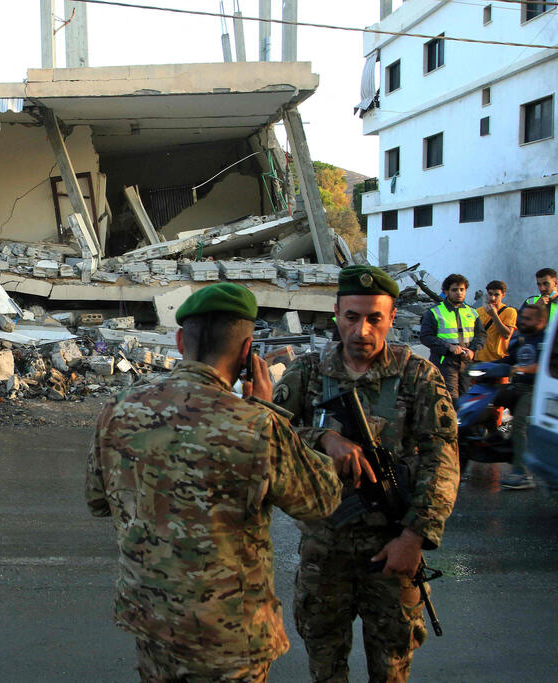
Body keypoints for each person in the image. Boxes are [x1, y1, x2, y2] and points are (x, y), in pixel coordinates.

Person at [87, 282, 343, 682]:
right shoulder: (257, 424)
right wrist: (268, 406)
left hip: (152, 624)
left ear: (178, 341)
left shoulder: (119, 410)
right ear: (247, 353)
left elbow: (98, 501)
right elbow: (321, 500)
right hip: (229, 638)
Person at [273, 265, 460, 683]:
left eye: (375, 318)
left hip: (392, 549)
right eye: (352, 317)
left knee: (392, 668)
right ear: (336, 313)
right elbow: (270, 436)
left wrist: (412, 539)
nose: (361, 330)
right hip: (324, 550)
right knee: (325, 667)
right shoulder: (308, 372)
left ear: (392, 318)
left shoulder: (418, 377)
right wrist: (322, 438)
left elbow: (442, 460)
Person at [497, 302, 549, 490]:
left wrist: (520, 369)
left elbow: (545, 365)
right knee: (485, 403)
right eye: (522, 317)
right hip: (516, 386)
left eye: (528, 319)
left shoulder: (548, 340)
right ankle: (494, 442)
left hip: (535, 390)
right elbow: (509, 360)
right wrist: (486, 367)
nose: (522, 321)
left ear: (541, 321)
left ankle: (523, 474)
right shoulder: (520, 338)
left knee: (519, 425)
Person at [418, 273, 485, 404]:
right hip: (444, 363)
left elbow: (481, 335)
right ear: (446, 291)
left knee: (465, 399)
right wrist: (448, 347)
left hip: (466, 362)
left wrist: (472, 350)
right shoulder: (434, 312)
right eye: (454, 290)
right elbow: (425, 337)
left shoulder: (472, 312)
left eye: (462, 290)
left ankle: (462, 424)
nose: (459, 293)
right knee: (449, 400)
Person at [474, 280, 517, 362]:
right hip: (479, 359)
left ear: (503, 295)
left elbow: (506, 334)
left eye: (496, 295)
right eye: (490, 294)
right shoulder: (478, 311)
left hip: (499, 359)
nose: (492, 298)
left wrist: (494, 315)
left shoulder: (510, 311)